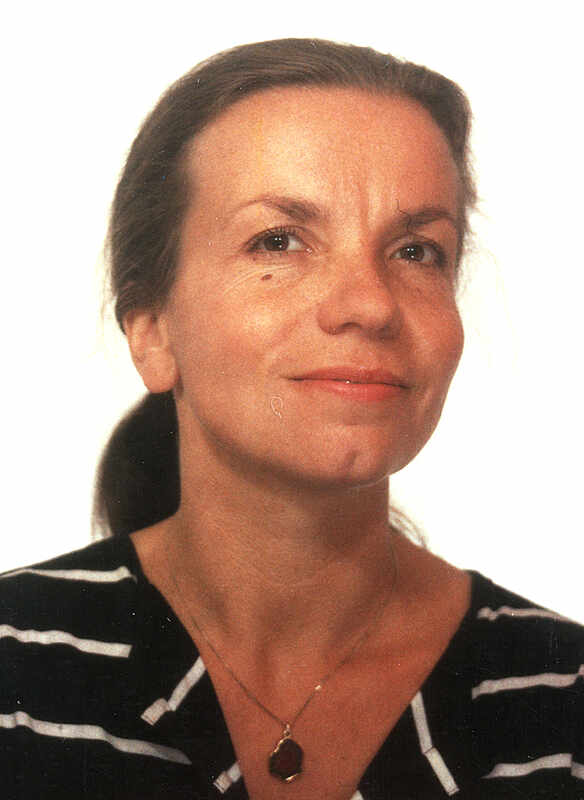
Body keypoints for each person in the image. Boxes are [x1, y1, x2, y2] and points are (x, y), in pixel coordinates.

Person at [1, 38, 582, 800]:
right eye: (278, 241)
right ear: (152, 331)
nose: (369, 304)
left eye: (416, 251)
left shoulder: (563, 700)